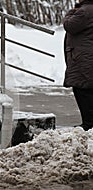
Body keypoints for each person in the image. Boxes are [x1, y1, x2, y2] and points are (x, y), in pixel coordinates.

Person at [63, 0, 93, 131]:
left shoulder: (84, 11)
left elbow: (69, 25)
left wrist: (71, 12)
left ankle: (88, 123)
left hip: (83, 58)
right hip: (86, 56)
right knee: (87, 89)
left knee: (82, 90)